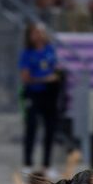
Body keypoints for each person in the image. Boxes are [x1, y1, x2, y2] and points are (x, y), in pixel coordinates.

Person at [19, 23, 61, 171]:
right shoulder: (27, 53)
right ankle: (28, 162)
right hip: (34, 93)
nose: (39, 35)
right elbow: (25, 77)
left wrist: (54, 78)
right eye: (35, 32)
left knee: (50, 128)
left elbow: (56, 70)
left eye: (41, 32)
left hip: (49, 94)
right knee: (31, 126)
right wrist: (43, 79)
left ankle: (47, 164)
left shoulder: (50, 50)